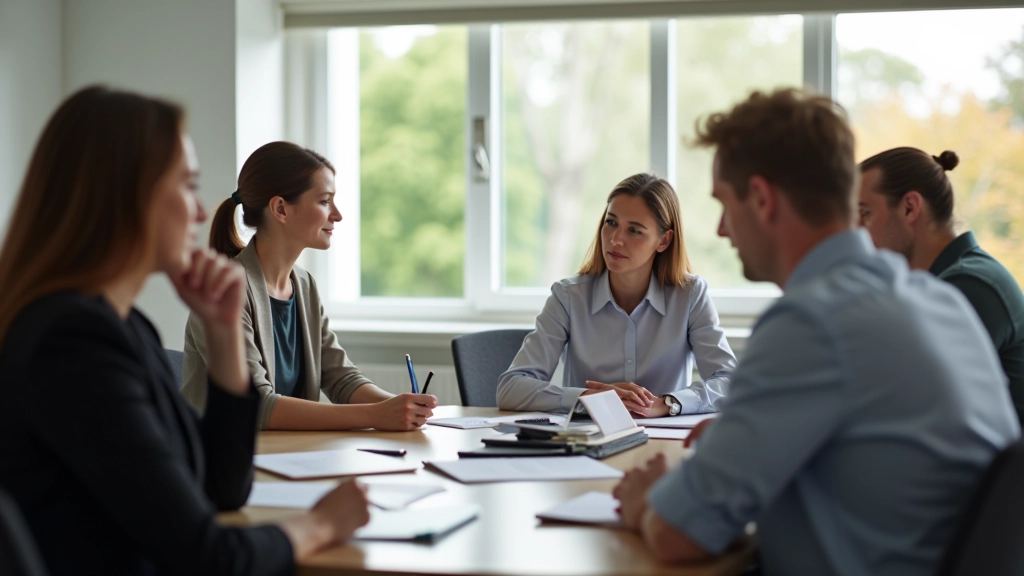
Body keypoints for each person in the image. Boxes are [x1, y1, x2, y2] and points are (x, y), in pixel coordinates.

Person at [612, 89, 1019, 575]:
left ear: (762, 199)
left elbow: (680, 535)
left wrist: (644, 501)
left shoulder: (812, 322)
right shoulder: (939, 301)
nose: (722, 230)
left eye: (724, 203)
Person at [0, 86, 371, 576]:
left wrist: (223, 337)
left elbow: (220, 488)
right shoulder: (72, 346)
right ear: (124, 196)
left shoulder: (126, 328)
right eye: (188, 185)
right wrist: (320, 525)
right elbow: (211, 557)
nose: (201, 212)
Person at [181, 142, 436, 431]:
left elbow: (341, 379)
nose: (337, 214)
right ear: (280, 209)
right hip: (220, 462)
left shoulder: (304, 285)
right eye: (325, 201)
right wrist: (376, 415)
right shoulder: (224, 291)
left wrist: (400, 408)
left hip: (289, 456)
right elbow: (257, 404)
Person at [496, 173, 736, 417]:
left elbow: (730, 382)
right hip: (588, 440)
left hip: (663, 442)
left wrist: (667, 404)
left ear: (664, 240)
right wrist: (588, 398)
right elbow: (511, 388)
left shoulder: (690, 296)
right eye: (611, 223)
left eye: (634, 230)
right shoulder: (568, 297)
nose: (615, 239)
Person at [858, 146, 1024, 425]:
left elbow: (904, 400)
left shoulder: (970, 285)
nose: (855, 231)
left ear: (910, 207)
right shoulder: (935, 282)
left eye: (864, 214)